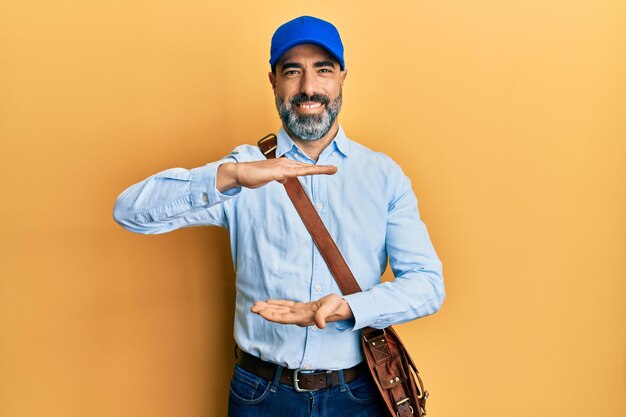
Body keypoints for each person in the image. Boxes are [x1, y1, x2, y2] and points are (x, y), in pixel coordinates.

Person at [113, 15, 444, 417]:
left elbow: (428, 285)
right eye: (293, 71)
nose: (308, 88)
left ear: (342, 77)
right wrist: (229, 175)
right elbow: (129, 212)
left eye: (323, 70)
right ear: (273, 81)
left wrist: (349, 308)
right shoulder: (244, 170)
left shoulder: (383, 175)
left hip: (357, 396)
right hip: (261, 396)